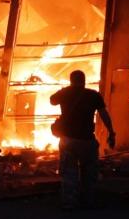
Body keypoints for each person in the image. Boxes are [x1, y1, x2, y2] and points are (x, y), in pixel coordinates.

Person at [48, 70, 115, 209]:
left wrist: (65, 89)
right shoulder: (93, 95)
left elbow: (52, 100)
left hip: (68, 140)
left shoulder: (65, 93)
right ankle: (88, 201)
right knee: (89, 173)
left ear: (71, 80)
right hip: (87, 141)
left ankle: (70, 203)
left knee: (69, 173)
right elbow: (104, 114)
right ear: (84, 81)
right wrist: (111, 132)